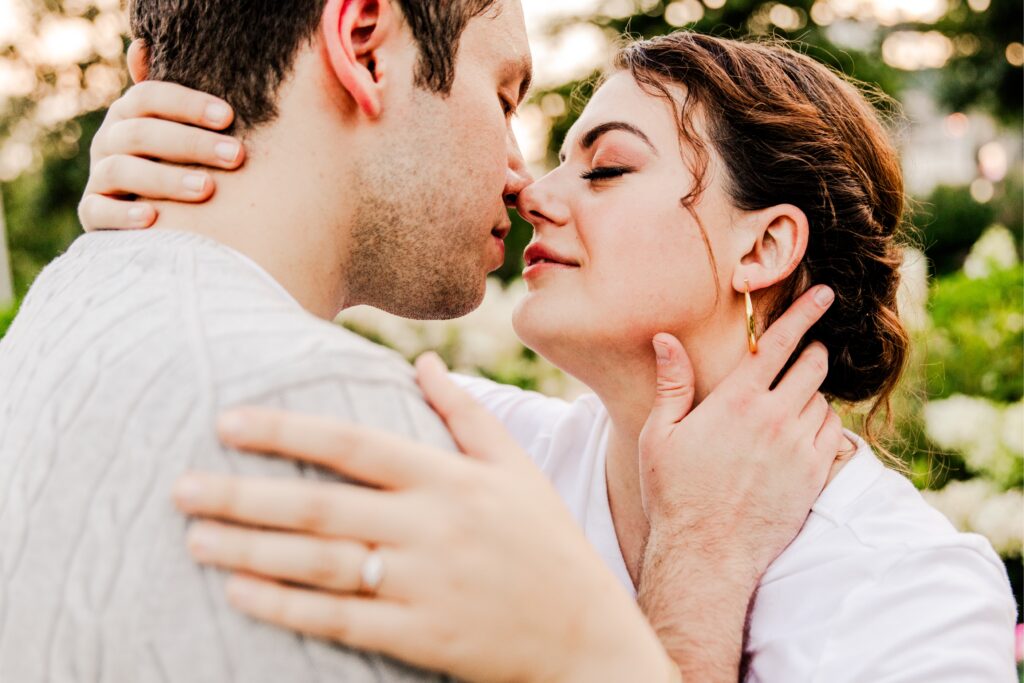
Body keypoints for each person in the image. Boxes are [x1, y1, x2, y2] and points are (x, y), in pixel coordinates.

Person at [84, 27, 1020, 683]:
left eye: (607, 168)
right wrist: (165, 206)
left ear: (764, 248)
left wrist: (699, 562)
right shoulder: (476, 445)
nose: (533, 190)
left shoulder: (912, 597)